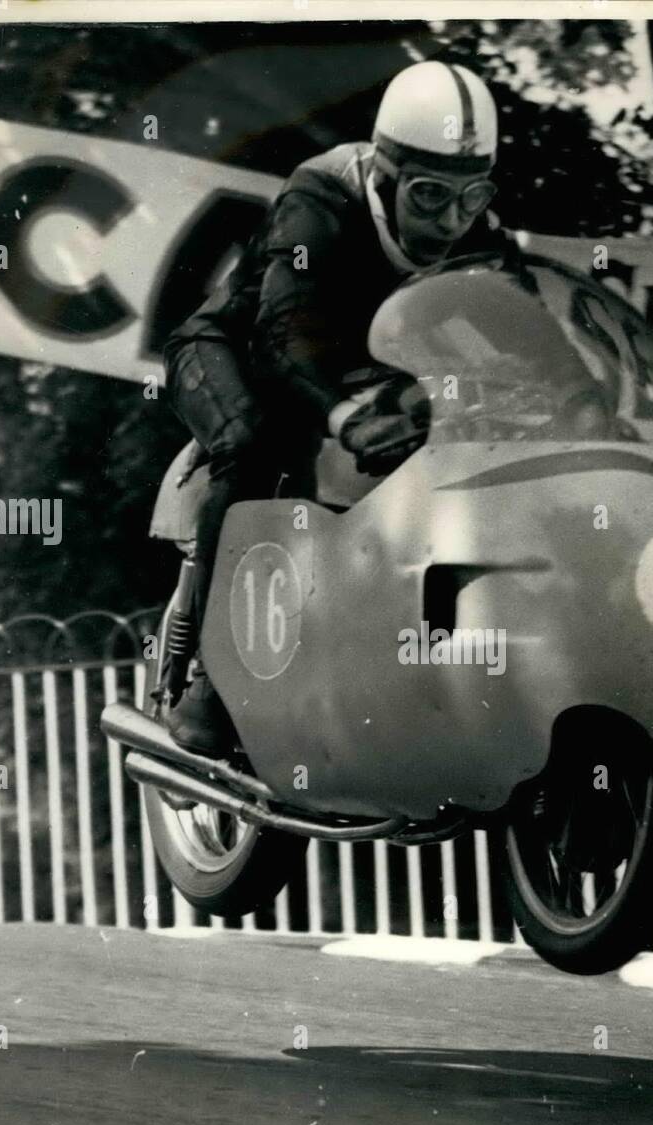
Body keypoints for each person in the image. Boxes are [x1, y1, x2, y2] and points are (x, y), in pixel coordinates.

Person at [162, 61, 511, 755]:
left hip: (356, 369)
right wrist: (347, 417)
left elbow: (518, 332)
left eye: (470, 198)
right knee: (255, 439)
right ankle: (215, 676)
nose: (450, 220)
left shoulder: (478, 234)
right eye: (429, 195)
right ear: (384, 175)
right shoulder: (319, 200)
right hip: (236, 349)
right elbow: (284, 339)